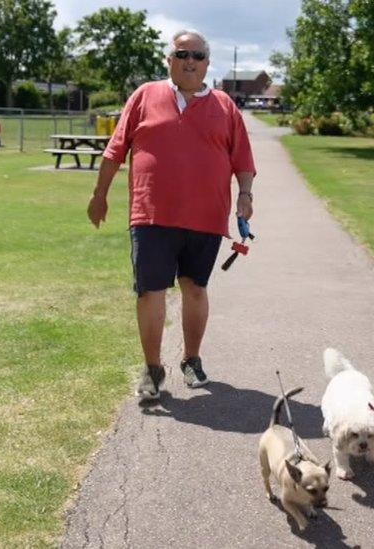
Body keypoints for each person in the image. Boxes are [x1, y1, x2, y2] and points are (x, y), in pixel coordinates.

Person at [88, 29, 256, 400]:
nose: (190, 61)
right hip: (151, 214)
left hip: (206, 217)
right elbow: (115, 150)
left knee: (195, 288)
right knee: (150, 292)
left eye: (197, 55)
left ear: (207, 63)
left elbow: (242, 159)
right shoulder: (145, 95)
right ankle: (152, 369)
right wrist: (99, 195)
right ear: (169, 60)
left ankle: (191, 360)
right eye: (182, 54)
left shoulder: (225, 106)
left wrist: (245, 194)